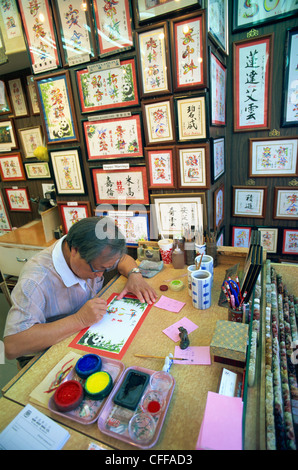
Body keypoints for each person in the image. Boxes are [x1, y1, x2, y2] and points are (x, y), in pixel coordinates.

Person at [4, 217, 157, 366]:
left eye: (106, 268)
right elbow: (12, 346)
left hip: (86, 335)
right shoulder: (36, 280)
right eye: (97, 269)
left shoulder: (91, 249)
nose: (100, 275)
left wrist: (134, 274)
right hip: (48, 352)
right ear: (75, 251)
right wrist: (80, 320)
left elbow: (122, 259)